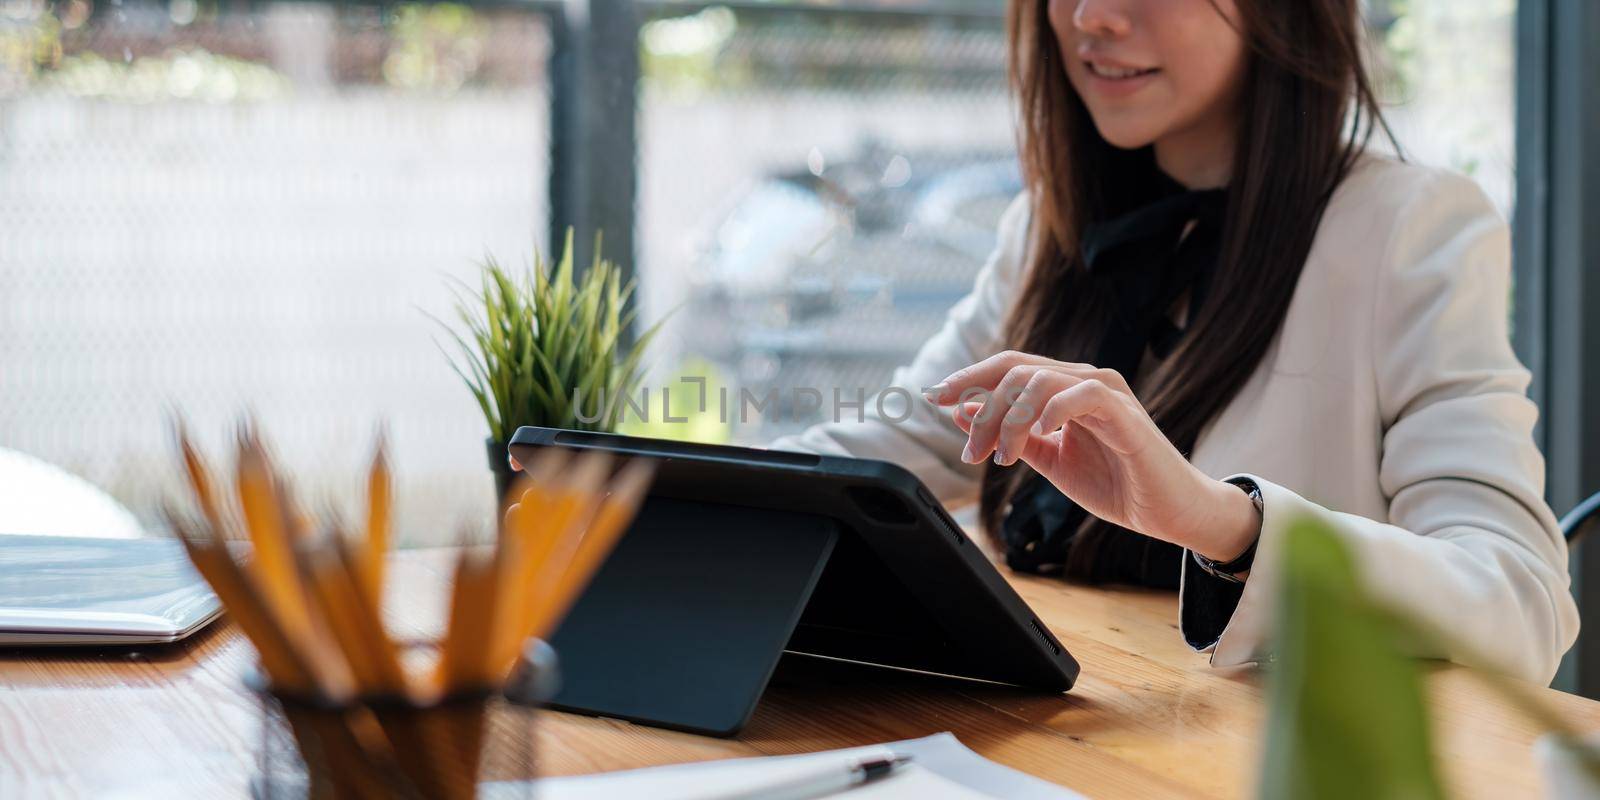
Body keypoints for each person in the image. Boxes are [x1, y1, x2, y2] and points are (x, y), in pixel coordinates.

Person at [771, 0, 1579, 684]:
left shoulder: (1409, 229)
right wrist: (670, 488)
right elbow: (895, 442)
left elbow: (1521, 603)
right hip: (1060, 734)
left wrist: (1227, 525)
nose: (1091, 17)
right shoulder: (1050, 225)